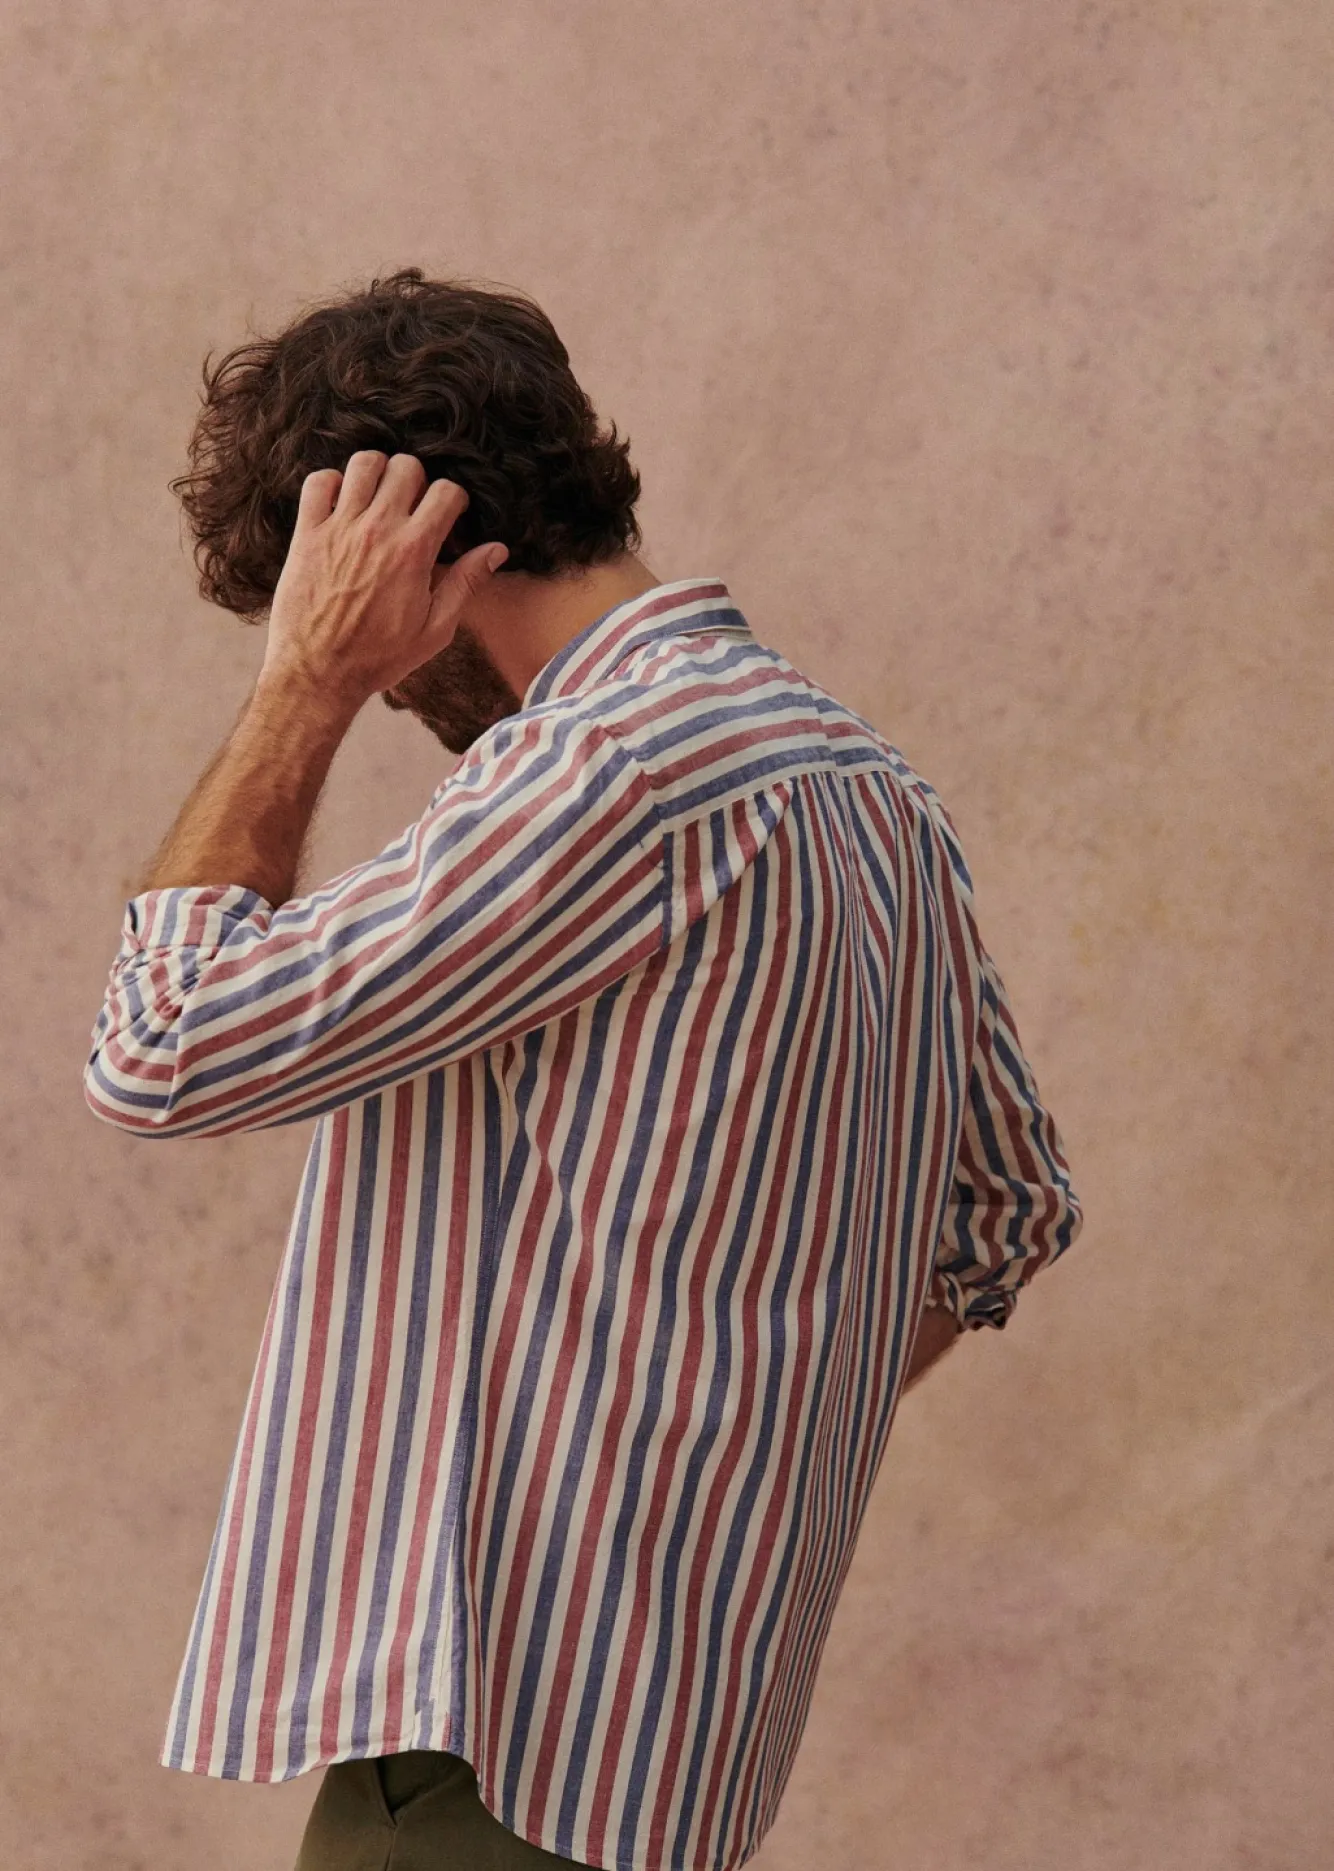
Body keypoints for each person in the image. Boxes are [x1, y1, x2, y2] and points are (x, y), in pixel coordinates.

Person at [83, 267, 1084, 1871]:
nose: (388, 686)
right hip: (669, 1749)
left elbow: (161, 1044)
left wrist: (303, 686)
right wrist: (732, 1453)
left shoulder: (607, 768)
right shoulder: (866, 785)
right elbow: (1006, 1208)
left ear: (406, 548)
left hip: (495, 1741)